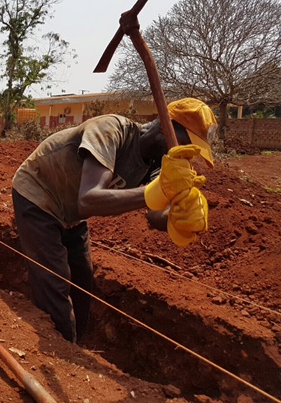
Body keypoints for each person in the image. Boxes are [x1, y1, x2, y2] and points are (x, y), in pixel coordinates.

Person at [11, 97, 217, 343]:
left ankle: (76, 347)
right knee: (54, 282)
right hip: (39, 196)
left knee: (82, 280)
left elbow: (153, 215)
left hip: (72, 215)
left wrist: (178, 217)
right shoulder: (111, 131)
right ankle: (59, 347)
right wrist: (157, 192)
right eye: (185, 144)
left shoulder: (157, 162)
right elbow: (88, 199)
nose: (184, 155)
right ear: (165, 127)